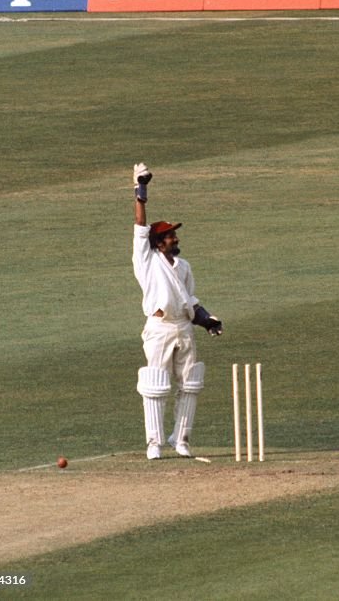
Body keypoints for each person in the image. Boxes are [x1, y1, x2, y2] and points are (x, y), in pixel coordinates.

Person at [132, 163, 223, 460]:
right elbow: (140, 230)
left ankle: (180, 438)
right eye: (170, 235)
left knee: (191, 383)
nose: (176, 238)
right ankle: (154, 442)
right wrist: (141, 192)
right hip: (159, 328)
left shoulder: (184, 267)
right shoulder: (146, 261)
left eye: (174, 234)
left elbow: (190, 301)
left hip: (183, 327)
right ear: (159, 243)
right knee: (156, 384)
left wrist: (207, 320)